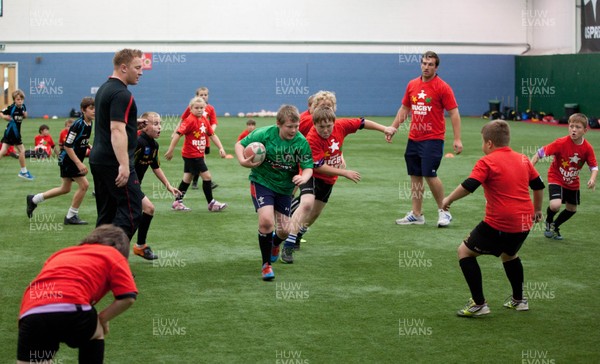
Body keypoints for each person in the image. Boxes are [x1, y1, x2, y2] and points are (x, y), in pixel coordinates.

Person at [441, 120, 545, 317]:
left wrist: (448, 199)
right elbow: (539, 185)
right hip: (524, 221)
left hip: (500, 222)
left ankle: (479, 304)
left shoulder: (487, 161)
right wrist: (538, 210)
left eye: (482, 141)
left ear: (489, 143)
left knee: (464, 252)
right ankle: (519, 300)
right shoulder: (523, 159)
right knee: (510, 255)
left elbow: (470, 185)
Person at [278, 107, 396, 263]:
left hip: (328, 180)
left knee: (314, 214)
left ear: (334, 122)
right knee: (307, 205)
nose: (326, 130)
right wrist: (345, 173)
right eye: (322, 127)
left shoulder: (341, 125)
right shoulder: (312, 139)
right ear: (315, 125)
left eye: (329, 126)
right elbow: (318, 166)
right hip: (311, 174)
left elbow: (362, 122)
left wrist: (384, 129)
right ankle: (288, 245)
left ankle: (297, 233)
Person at [16, 224, 137, 363]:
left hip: (31, 312)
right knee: (97, 331)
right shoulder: (113, 254)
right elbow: (128, 297)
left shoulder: (63, 252)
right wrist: (102, 319)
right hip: (71, 307)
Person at [234, 104, 313, 281]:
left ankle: (276, 242)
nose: (293, 130)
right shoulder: (264, 134)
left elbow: (308, 167)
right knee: (266, 222)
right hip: (262, 182)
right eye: (289, 127)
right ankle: (266, 265)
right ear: (279, 123)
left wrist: (304, 176)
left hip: (284, 189)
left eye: (296, 126)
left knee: (285, 230)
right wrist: (242, 160)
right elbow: (240, 144)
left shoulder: (301, 142)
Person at [388, 51, 463, 227]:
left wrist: (457, 139)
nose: (426, 67)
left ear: (436, 67)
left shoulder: (443, 87)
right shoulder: (412, 84)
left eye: (430, 64)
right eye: (424, 63)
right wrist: (393, 128)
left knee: (430, 174)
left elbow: (454, 112)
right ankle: (417, 214)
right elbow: (405, 109)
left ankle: (444, 211)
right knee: (415, 175)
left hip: (433, 138)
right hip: (414, 138)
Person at [89, 48, 145, 240]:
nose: (141, 72)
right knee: (133, 211)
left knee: (107, 214)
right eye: (137, 67)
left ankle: (94, 261)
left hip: (98, 159)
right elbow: (116, 130)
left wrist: (132, 123)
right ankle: (110, 259)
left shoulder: (105, 88)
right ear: (123, 67)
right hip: (114, 162)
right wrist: (123, 164)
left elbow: (111, 122)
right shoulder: (122, 94)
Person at [27, 97, 95, 225]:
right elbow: (68, 145)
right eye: (91, 108)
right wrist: (79, 163)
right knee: (84, 185)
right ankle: (71, 216)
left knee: (65, 189)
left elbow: (79, 141)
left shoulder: (89, 123)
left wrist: (88, 145)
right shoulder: (77, 125)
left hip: (70, 159)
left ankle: (34, 199)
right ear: (83, 110)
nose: (94, 111)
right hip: (69, 160)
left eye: (95, 108)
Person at [531, 113, 597, 240]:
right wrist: (530, 167)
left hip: (572, 182)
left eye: (577, 127)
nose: (573, 129)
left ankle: (555, 226)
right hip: (556, 177)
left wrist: (592, 179)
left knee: (572, 210)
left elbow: (593, 166)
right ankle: (549, 222)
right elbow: (540, 153)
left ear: (585, 130)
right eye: (571, 126)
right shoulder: (561, 143)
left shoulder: (587, 148)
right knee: (555, 205)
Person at [291, 91, 339, 248]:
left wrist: (341, 156)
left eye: (329, 106)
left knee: (314, 211)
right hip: (299, 162)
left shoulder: (332, 124)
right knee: (300, 199)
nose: (325, 109)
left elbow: (335, 142)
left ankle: (297, 231)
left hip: (320, 168)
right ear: (313, 107)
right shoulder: (305, 121)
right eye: (321, 106)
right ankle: (285, 227)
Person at [165, 96, 227, 212]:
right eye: (196, 108)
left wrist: (221, 147)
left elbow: (212, 134)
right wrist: (171, 149)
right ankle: (211, 203)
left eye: (202, 108)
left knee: (187, 179)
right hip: (192, 155)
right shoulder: (189, 120)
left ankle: (177, 201)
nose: (199, 110)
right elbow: (178, 134)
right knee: (207, 177)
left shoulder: (204, 120)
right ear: (191, 108)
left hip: (195, 154)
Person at [133, 111, 181, 260]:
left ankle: (140, 247)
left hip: (134, 186)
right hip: (124, 185)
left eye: (160, 123)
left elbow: (155, 166)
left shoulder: (154, 144)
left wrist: (168, 186)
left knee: (146, 210)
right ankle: (116, 253)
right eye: (155, 124)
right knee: (132, 216)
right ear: (144, 126)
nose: (159, 127)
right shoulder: (138, 142)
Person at [180, 86, 219, 190]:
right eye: (201, 95)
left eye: (205, 95)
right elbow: (183, 119)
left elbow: (214, 122)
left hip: (205, 140)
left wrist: (210, 131)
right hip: (195, 140)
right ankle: (202, 182)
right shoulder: (192, 109)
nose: (204, 97)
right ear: (196, 96)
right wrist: (176, 132)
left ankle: (192, 185)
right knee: (200, 161)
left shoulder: (210, 109)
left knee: (198, 163)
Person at [0, 89, 34, 180]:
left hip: (13, 132)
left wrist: (25, 114)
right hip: (12, 132)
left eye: (21, 99)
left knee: (3, 151)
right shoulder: (11, 108)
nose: (20, 101)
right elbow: (1, 113)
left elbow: (25, 116)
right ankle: (23, 172)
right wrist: (4, 117)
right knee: (22, 151)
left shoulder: (23, 107)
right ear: (14, 100)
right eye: (18, 99)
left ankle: (24, 172)